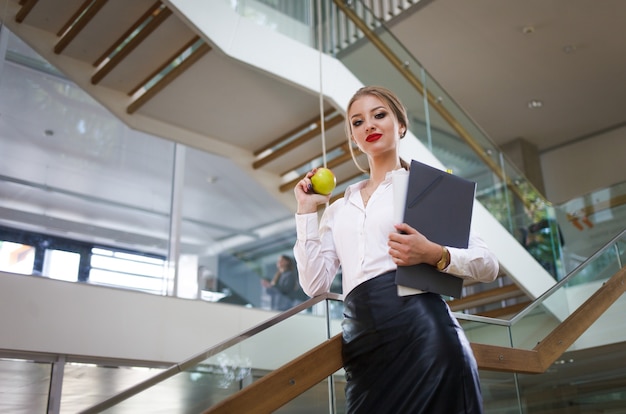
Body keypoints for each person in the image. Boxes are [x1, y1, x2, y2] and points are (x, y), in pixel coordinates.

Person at [293, 86, 499, 413]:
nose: (369, 126)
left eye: (379, 115)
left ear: (400, 125)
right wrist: (306, 210)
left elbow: (488, 264)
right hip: (362, 347)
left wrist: (434, 254)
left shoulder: (428, 187)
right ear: (353, 138)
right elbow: (314, 284)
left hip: (424, 335)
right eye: (358, 122)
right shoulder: (337, 209)